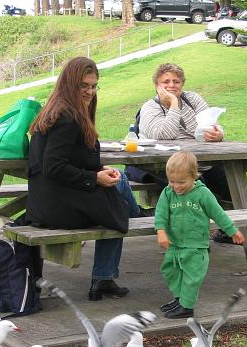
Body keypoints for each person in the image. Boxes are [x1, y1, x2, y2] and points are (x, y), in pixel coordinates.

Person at [26, 56, 153, 301]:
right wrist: (94, 178)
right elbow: (54, 167)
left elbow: (70, 160)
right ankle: (134, 218)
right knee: (117, 206)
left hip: (47, 202)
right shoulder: (67, 117)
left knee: (117, 188)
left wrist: (99, 172)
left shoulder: (57, 109)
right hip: (57, 208)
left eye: (94, 86)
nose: (90, 91)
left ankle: (106, 273)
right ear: (69, 84)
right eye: (84, 86)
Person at [125, 63, 234, 244]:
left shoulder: (193, 99)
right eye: (165, 81)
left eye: (176, 81)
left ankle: (231, 230)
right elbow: (164, 135)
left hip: (199, 160)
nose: (171, 85)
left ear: (182, 84)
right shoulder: (150, 107)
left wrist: (218, 133)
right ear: (157, 85)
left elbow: (211, 123)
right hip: (159, 164)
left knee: (229, 179)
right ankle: (192, 239)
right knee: (197, 186)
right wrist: (174, 104)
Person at [154, 151, 245, 319]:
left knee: (191, 277)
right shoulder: (168, 193)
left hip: (195, 247)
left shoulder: (203, 194)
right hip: (175, 244)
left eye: (181, 182)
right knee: (171, 271)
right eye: (172, 181)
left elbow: (219, 214)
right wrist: (161, 232)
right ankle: (180, 299)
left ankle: (187, 307)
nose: (176, 186)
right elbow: (160, 213)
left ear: (194, 176)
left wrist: (232, 230)